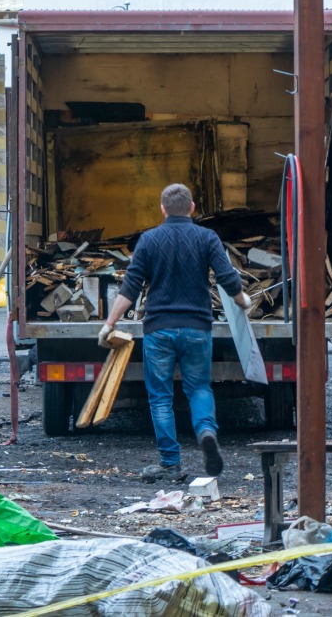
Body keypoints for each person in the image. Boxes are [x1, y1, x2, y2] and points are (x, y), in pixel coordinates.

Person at [99, 183, 250, 484]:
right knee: (199, 388)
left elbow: (130, 287)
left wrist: (109, 324)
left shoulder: (149, 240)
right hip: (197, 328)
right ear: (192, 208)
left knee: (160, 397)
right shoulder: (207, 237)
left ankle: (171, 463)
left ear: (163, 209)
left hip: (159, 330)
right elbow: (226, 277)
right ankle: (206, 430)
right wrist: (243, 300)